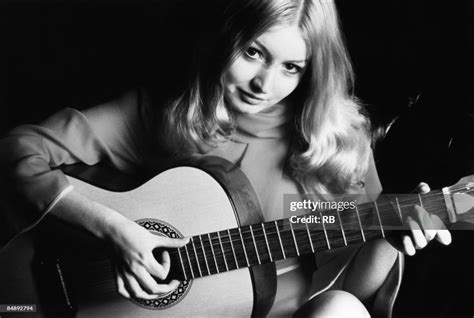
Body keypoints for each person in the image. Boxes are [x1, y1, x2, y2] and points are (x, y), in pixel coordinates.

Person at [0, 0, 451, 316]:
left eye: (291, 67)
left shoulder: (339, 144)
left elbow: (349, 293)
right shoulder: (165, 112)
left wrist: (386, 240)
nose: (264, 83)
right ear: (226, 37)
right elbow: (18, 151)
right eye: (254, 52)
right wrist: (113, 228)